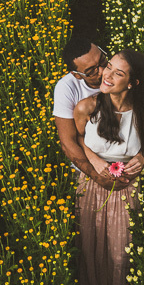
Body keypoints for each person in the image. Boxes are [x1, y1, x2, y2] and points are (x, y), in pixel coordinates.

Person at [72, 49, 144, 285]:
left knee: (120, 252)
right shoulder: (88, 107)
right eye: (108, 67)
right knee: (91, 243)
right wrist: (95, 162)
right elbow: (79, 139)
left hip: (125, 187)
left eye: (117, 72)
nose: (106, 75)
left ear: (133, 83)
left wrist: (142, 158)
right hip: (92, 183)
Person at [53, 34, 122, 190]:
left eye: (103, 61)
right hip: (89, 166)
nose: (104, 71)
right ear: (77, 75)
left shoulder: (122, 72)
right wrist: (97, 176)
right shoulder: (66, 88)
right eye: (92, 71)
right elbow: (68, 142)